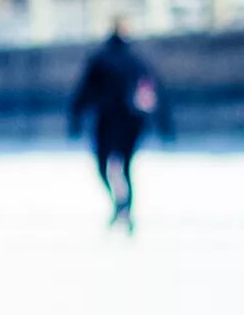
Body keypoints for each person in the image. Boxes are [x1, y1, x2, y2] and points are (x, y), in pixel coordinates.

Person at [66, 19, 170, 233]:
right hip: (132, 123)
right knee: (125, 167)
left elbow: (84, 92)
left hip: (107, 122)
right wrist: (163, 123)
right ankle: (124, 207)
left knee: (103, 166)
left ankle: (120, 204)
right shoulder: (137, 62)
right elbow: (152, 93)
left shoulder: (100, 61)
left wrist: (75, 119)